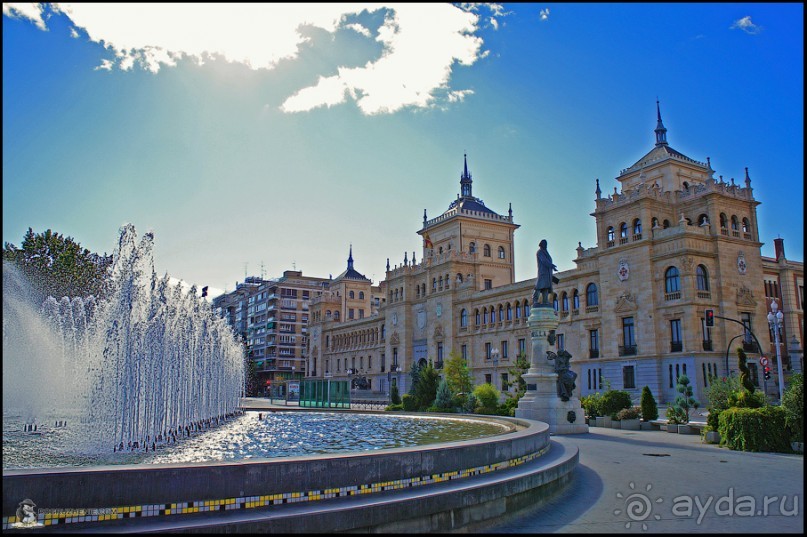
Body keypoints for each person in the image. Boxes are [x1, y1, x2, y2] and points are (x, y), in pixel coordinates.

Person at [532, 239, 559, 307]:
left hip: (548, 273)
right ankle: (535, 300)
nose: (546, 245)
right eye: (545, 244)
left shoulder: (545, 252)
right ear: (541, 244)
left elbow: (548, 261)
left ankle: (545, 301)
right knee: (539, 286)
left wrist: (552, 267)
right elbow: (544, 261)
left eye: (546, 244)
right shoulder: (539, 252)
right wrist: (551, 265)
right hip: (542, 272)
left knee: (545, 287)